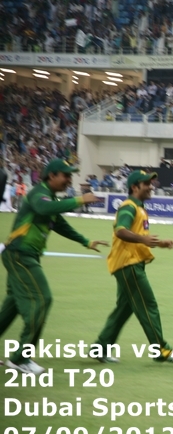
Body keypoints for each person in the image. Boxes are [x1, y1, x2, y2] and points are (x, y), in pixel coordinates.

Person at [0, 159, 108, 374]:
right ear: (51, 176)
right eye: (66, 175)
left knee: (11, 306)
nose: (69, 180)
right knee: (42, 299)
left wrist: (86, 241)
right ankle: (20, 358)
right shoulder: (38, 194)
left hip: (25, 255)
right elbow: (45, 207)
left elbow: (60, 224)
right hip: (20, 254)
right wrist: (78, 200)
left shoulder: (49, 197)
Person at [92, 171, 173, 364]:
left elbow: (138, 238)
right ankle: (161, 350)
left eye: (152, 183)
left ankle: (100, 347)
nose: (151, 186)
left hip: (129, 264)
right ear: (135, 187)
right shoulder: (128, 206)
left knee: (124, 309)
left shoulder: (138, 209)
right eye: (146, 184)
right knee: (148, 306)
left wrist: (159, 243)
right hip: (129, 265)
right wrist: (144, 239)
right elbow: (121, 231)